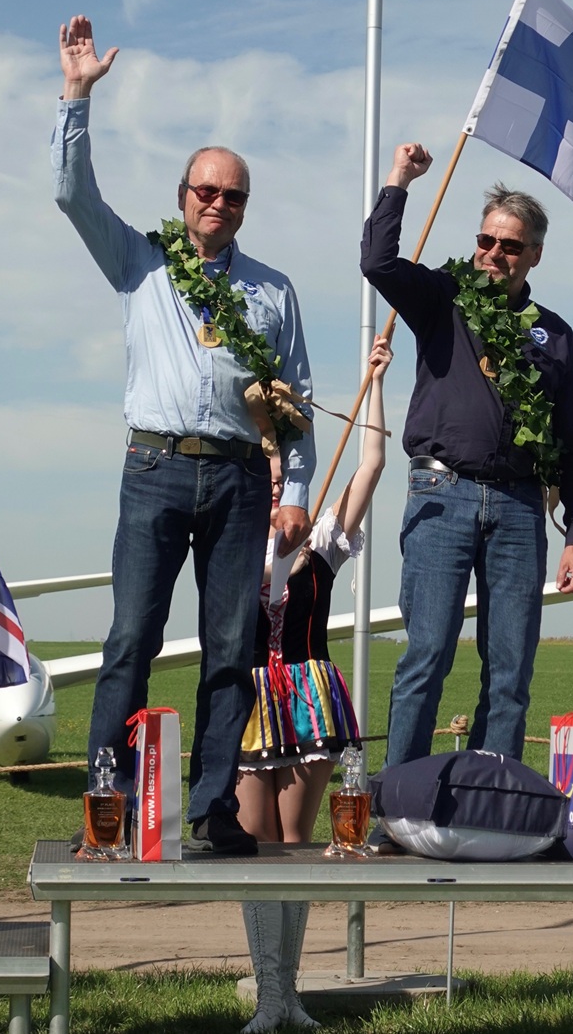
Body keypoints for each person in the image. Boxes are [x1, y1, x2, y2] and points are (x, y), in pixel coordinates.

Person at [54, 15, 314, 856]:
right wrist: (77, 97)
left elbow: (298, 399)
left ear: (244, 206)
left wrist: (296, 491)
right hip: (155, 467)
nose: (217, 203)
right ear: (182, 196)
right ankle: (107, 805)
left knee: (231, 649)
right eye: (206, 190)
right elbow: (72, 195)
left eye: (233, 195)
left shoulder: (273, 291)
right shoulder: (140, 261)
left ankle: (212, 808)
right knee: (131, 638)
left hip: (240, 478)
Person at [360, 143, 573, 841]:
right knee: (426, 657)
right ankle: (395, 811)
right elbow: (377, 263)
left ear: (534, 256)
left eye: (509, 246)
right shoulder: (442, 298)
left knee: (510, 671)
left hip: (521, 509)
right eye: (486, 240)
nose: (493, 254)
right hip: (443, 495)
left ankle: (492, 814)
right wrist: (399, 182)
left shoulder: (554, 334)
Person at [235, 334, 392, 1032]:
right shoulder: (233, 539)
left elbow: (372, 464)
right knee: (252, 847)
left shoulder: (322, 538)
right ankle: (267, 996)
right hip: (246, 701)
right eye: (265, 470)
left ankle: (288, 996)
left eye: (282, 472)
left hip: (306, 699)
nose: (275, 483)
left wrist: (374, 382)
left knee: (294, 846)